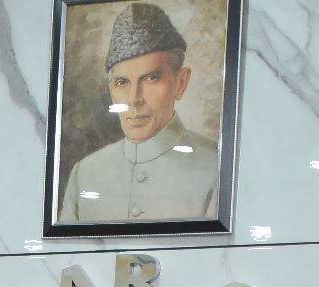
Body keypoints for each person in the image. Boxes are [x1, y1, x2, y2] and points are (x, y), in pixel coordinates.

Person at [60, 2, 219, 223]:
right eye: (122, 82)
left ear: (180, 83)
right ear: (111, 87)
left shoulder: (216, 169)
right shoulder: (85, 174)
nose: (134, 98)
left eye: (151, 78)